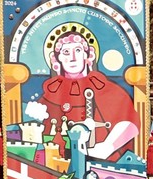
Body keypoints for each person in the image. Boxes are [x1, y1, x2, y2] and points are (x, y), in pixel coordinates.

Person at [39, 29, 140, 161]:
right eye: (66, 52)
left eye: (78, 51)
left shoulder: (104, 87)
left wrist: (107, 146)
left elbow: (131, 122)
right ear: (57, 58)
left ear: (87, 56)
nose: (72, 57)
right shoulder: (51, 92)